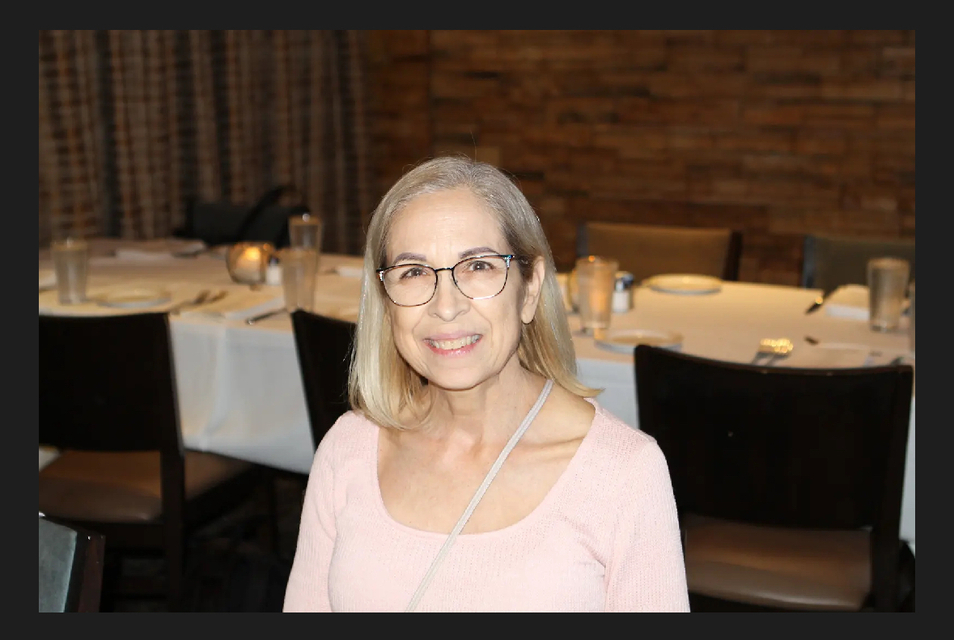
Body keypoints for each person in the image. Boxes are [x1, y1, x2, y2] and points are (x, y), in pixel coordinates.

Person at [283, 155, 690, 612]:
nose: (446, 306)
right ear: (386, 301)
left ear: (530, 288)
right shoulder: (348, 450)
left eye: (478, 266)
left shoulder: (623, 474)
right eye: (413, 272)